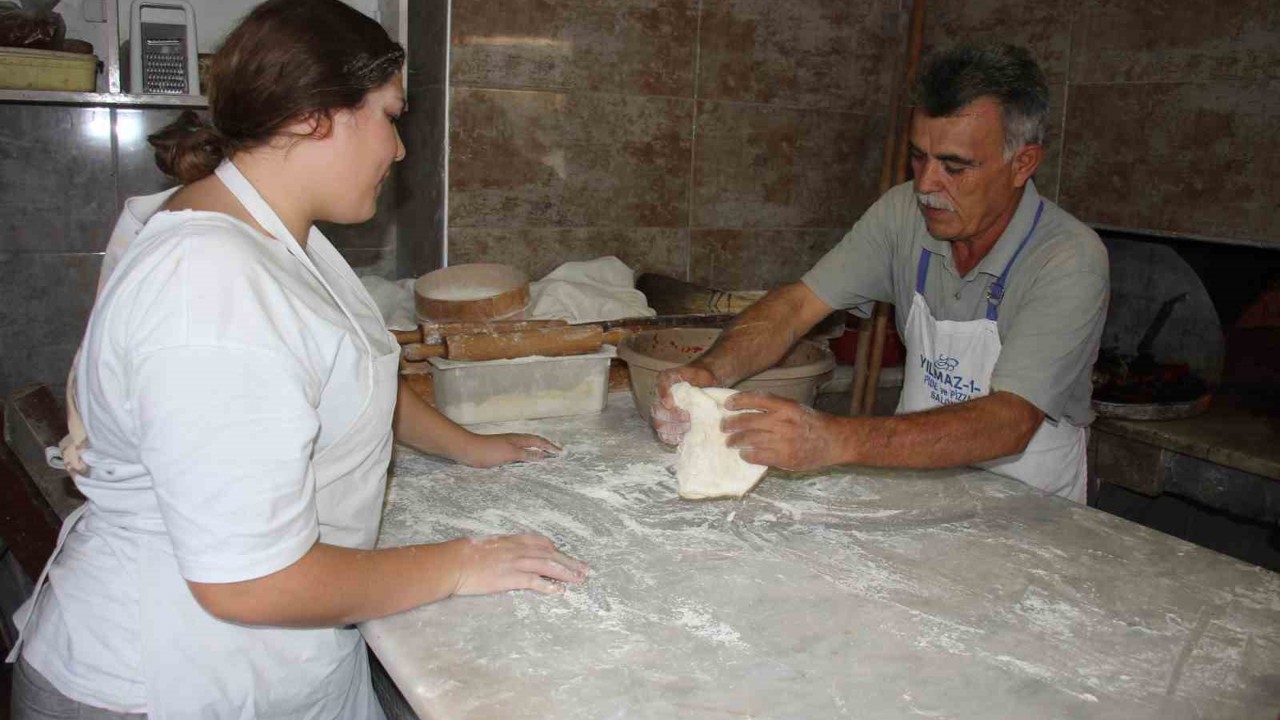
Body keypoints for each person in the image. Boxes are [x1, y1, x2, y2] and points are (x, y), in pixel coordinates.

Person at [6, 1, 588, 717]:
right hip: (166, 680)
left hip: (272, 657)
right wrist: (461, 563)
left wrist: (465, 445)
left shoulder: (273, 235)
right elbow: (249, 581)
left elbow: (347, 368)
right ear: (315, 116)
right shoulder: (210, 289)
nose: (398, 150)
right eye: (389, 116)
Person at [652, 43, 1109, 504]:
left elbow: (1009, 422)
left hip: (1029, 507)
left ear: (1023, 163)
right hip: (917, 486)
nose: (926, 184)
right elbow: (797, 305)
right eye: (919, 156)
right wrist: (711, 369)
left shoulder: (1068, 258)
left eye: (954, 167)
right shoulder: (903, 213)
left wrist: (833, 439)